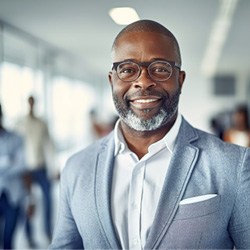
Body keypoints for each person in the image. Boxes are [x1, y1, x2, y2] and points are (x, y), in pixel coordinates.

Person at [49, 20, 250, 249]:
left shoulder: (234, 165)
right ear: (111, 80)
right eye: (127, 69)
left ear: (180, 80)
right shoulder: (77, 167)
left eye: (161, 68)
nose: (143, 82)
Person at [15, 95, 54, 248]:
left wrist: (53, 167)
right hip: (27, 170)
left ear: (35, 103)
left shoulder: (42, 123)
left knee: (48, 200)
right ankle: (29, 236)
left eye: (33, 102)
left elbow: (49, 145)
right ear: (27, 103)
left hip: (41, 167)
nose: (31, 104)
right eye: (29, 102)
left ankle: (48, 231)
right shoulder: (20, 124)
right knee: (28, 203)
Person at [0, 103, 27, 249]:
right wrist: (7, 160)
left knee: (8, 241)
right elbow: (14, 164)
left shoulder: (16, 138)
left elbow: (22, 165)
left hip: (13, 197)